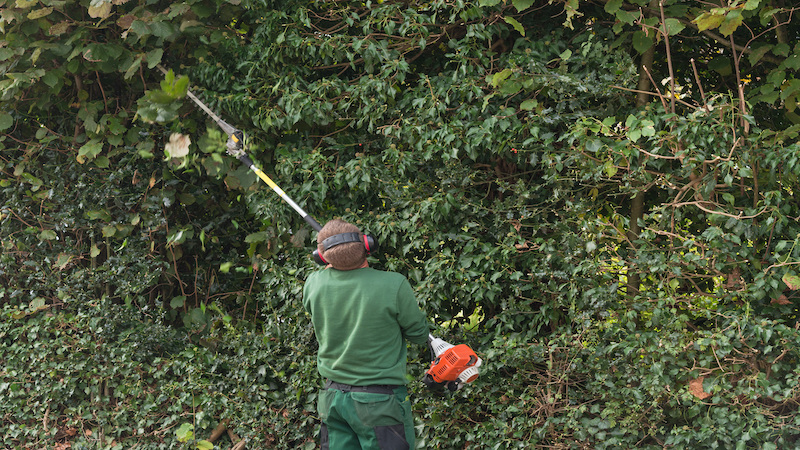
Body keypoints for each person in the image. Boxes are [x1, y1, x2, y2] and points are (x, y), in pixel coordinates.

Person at [303, 219, 430, 450]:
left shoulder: (313, 284)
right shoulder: (394, 284)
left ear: (320, 257)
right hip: (380, 403)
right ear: (367, 245)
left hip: (332, 399)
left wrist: (333, 256)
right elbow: (419, 335)